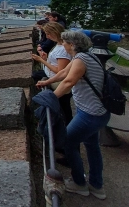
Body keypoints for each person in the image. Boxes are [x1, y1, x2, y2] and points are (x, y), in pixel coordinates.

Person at [37, 31, 109, 200]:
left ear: (72, 44)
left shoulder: (81, 60)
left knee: (68, 142)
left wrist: (51, 98)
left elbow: (69, 81)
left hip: (90, 113)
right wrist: (46, 82)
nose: (63, 44)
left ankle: (79, 183)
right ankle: (97, 185)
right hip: (99, 112)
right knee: (92, 146)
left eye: (65, 42)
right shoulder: (85, 56)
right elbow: (63, 74)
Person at [31, 22, 72, 122]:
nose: (47, 36)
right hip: (53, 79)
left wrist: (42, 61)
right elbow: (56, 64)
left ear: (55, 32)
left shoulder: (63, 49)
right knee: (62, 108)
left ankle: (67, 131)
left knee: (64, 109)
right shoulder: (59, 45)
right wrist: (46, 58)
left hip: (58, 83)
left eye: (48, 33)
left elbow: (60, 71)